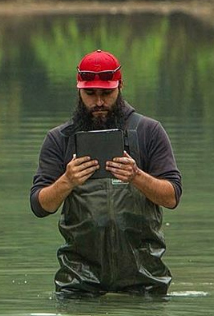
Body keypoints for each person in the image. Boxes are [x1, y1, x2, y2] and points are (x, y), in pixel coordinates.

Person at [30, 49, 182, 297]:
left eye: (106, 93)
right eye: (90, 93)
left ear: (120, 87)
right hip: (78, 281)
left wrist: (136, 176)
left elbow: (172, 197)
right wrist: (67, 181)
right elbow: (39, 206)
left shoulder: (149, 131)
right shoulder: (59, 139)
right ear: (78, 89)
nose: (99, 102)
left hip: (144, 278)